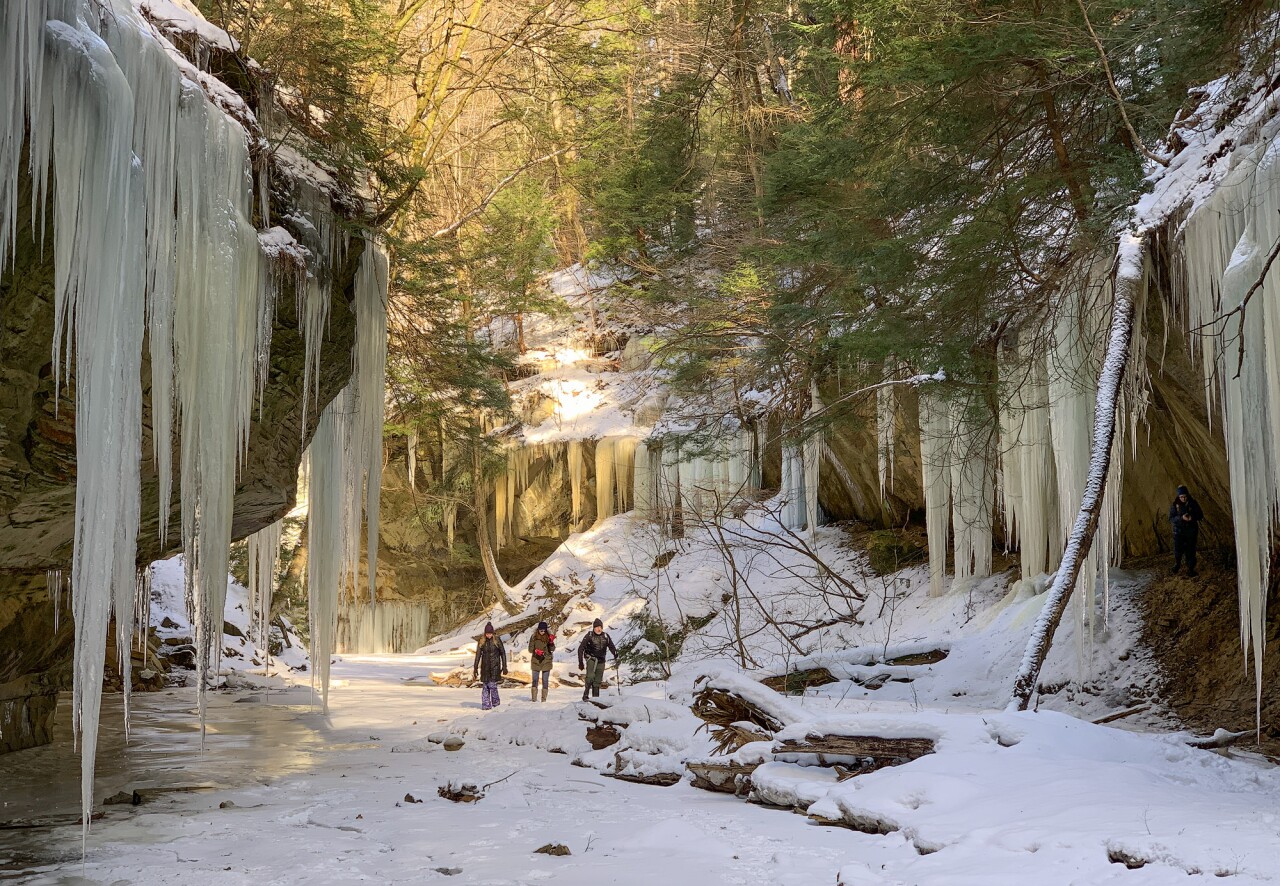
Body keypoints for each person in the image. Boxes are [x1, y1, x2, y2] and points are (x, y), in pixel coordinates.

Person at [577, 618, 617, 701]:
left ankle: (595, 699)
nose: (599, 629)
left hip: (601, 660)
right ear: (594, 628)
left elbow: (611, 646)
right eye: (597, 627)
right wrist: (581, 662)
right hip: (591, 658)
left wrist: (615, 654)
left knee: (598, 680)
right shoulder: (589, 635)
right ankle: (586, 695)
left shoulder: (606, 636)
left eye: (600, 627)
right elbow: (581, 648)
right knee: (590, 676)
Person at [1169, 485, 1204, 577]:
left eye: (1185, 496)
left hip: (1191, 531)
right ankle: (1177, 564)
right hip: (1179, 531)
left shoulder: (1193, 503)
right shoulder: (1175, 505)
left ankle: (1190, 569)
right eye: (1181, 497)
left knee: (1191, 551)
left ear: (1187, 495)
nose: (1183, 498)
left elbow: (1200, 515)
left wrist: (1192, 517)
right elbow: (1171, 518)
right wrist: (1181, 518)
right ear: (1179, 496)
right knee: (1178, 550)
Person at [472, 622, 507, 710]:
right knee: (485, 686)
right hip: (485, 667)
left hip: (495, 667)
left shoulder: (497, 640)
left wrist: (504, 666)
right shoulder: (481, 641)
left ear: (493, 633)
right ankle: (486, 705)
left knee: (492, 686)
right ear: (485, 633)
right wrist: (475, 668)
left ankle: (496, 704)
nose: (489, 635)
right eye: (487, 634)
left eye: (490, 633)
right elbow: (478, 655)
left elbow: (503, 653)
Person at [528, 621, 555, 702]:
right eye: (541, 630)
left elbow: (552, 649)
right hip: (536, 660)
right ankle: (534, 699)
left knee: (545, 680)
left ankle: (544, 700)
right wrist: (536, 651)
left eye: (544, 630)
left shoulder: (549, 637)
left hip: (546, 660)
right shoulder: (533, 637)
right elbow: (530, 649)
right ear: (538, 630)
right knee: (535, 680)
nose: (542, 632)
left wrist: (551, 642)